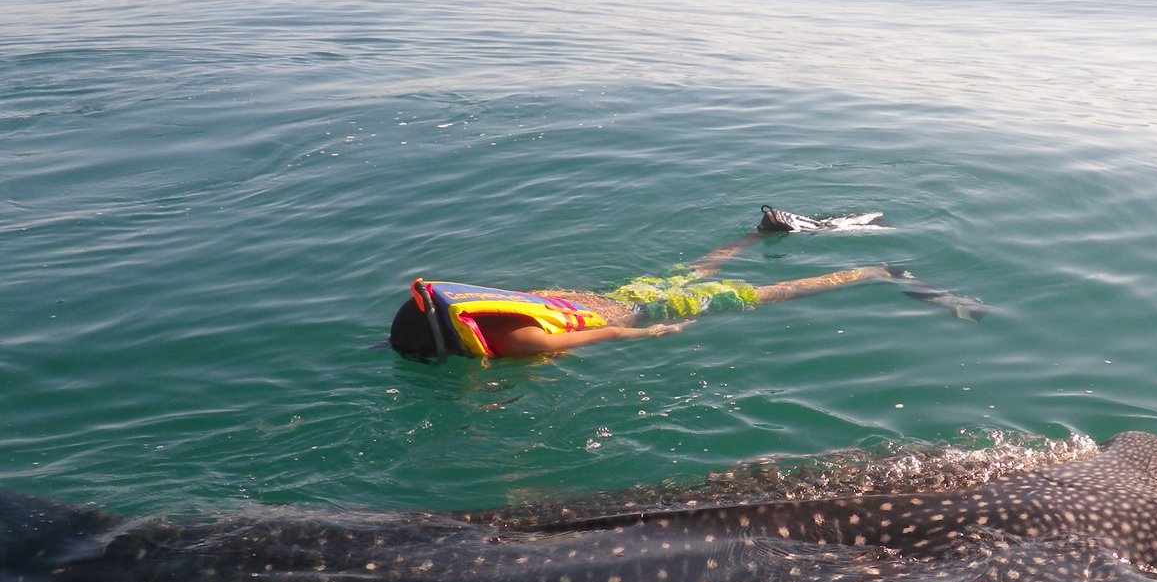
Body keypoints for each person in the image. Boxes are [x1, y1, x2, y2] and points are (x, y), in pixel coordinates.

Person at [388, 207, 969, 359]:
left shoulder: (515, 343)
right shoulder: (484, 314)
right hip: (618, 296)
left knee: (764, 294)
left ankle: (876, 270)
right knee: (698, 266)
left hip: (630, 314)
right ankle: (760, 235)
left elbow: (600, 339)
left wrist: (655, 335)